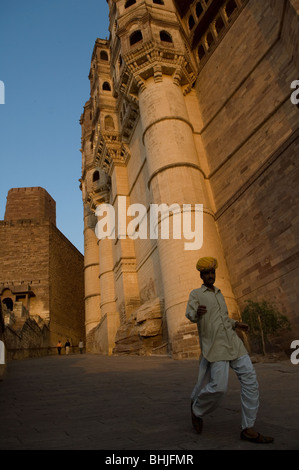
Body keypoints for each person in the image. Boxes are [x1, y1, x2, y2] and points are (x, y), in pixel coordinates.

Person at [185, 256, 274, 444]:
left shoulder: (219, 293)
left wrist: (236, 324)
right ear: (201, 275)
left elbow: (223, 319)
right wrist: (196, 313)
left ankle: (248, 428)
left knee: (250, 381)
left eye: (212, 272)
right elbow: (190, 314)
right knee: (219, 387)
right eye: (207, 273)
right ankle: (197, 409)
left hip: (234, 343)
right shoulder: (196, 294)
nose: (210, 276)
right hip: (216, 347)